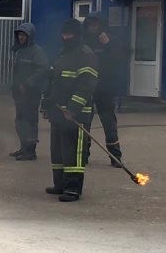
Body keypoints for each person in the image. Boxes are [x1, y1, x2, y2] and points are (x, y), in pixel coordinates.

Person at [42, 17, 100, 203]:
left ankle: (73, 189)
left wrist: (73, 108)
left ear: (77, 35)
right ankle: (59, 184)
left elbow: (86, 85)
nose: (65, 37)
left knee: (73, 152)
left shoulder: (85, 55)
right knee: (58, 151)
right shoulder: (62, 54)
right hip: (58, 112)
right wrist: (47, 103)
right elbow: (52, 82)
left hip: (76, 114)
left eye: (69, 34)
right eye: (64, 34)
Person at [83, 13, 128, 166]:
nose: (93, 27)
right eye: (90, 24)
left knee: (109, 123)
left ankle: (115, 157)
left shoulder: (111, 40)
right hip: (88, 87)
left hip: (105, 88)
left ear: (101, 25)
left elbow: (118, 60)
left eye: (95, 24)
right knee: (84, 123)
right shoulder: (83, 41)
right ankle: (83, 155)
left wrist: (107, 45)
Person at [8, 21, 50, 161]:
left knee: (30, 121)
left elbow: (43, 69)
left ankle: (31, 152)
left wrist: (28, 83)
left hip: (32, 93)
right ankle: (23, 148)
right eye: (19, 35)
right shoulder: (20, 51)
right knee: (19, 121)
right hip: (20, 93)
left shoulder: (37, 51)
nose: (21, 37)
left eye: (24, 35)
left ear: (30, 36)